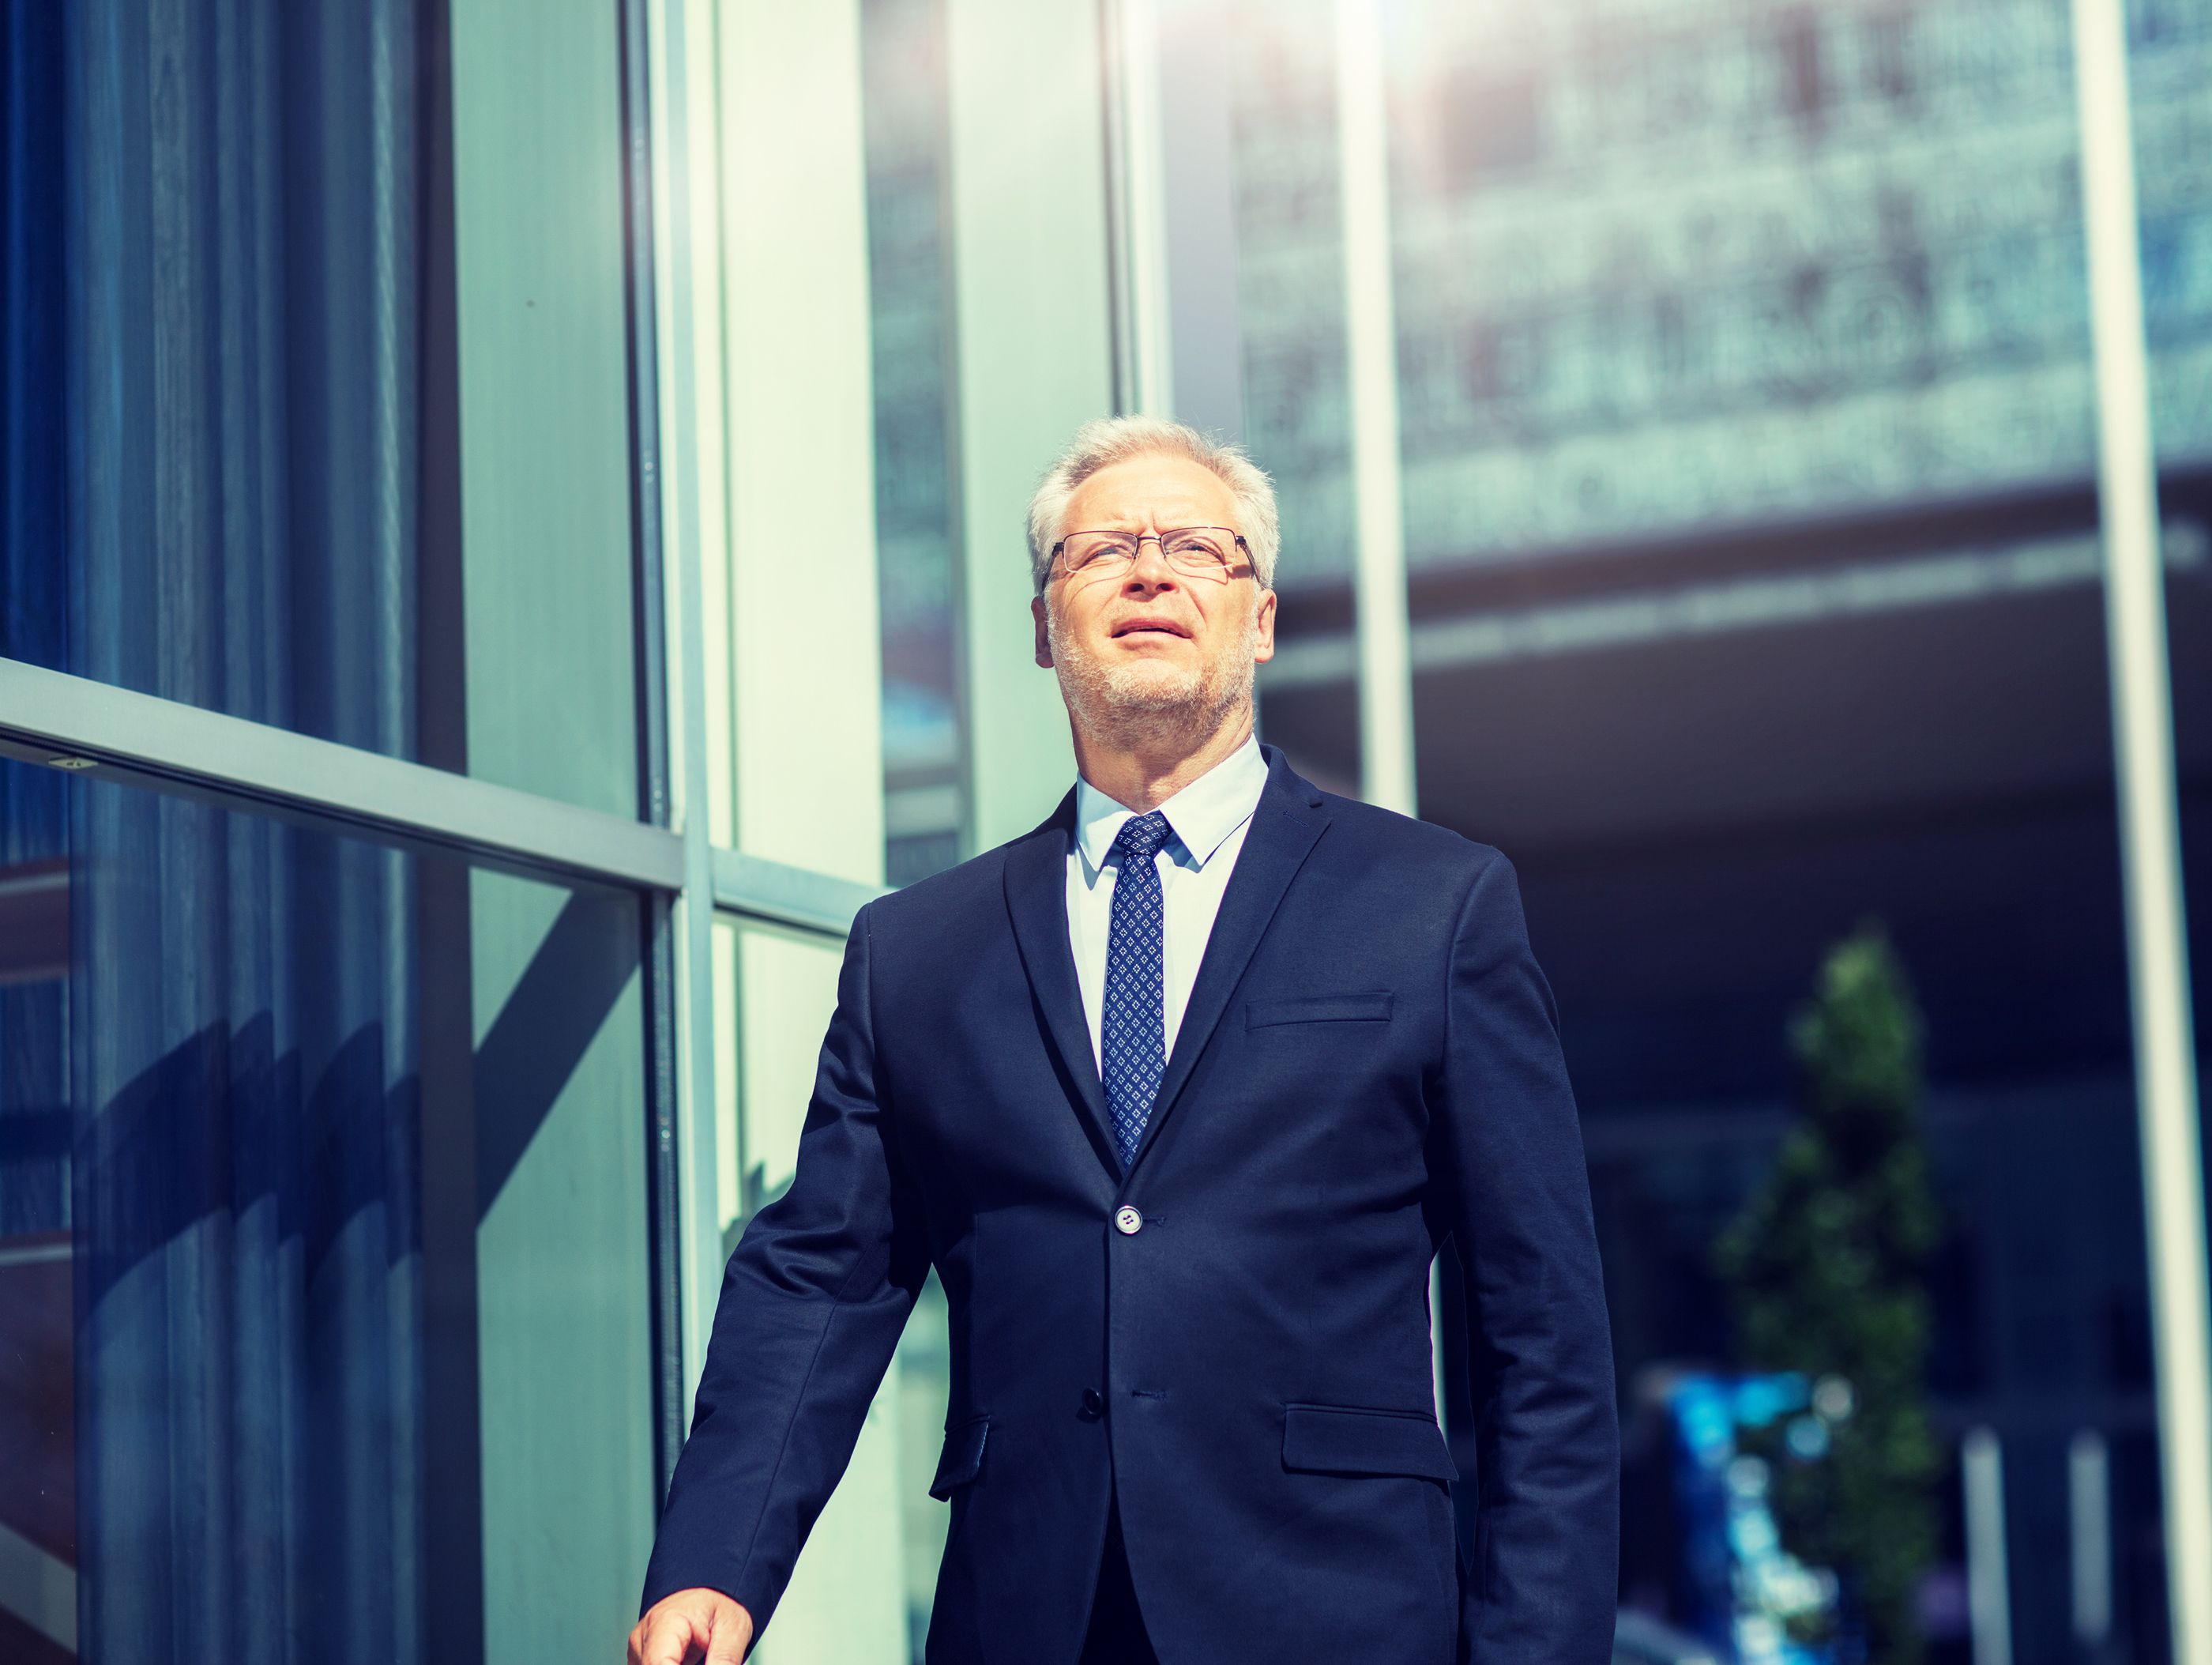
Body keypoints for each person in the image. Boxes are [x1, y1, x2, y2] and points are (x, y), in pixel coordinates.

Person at [627, 416, 1618, 1665]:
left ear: (1258, 621)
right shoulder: (917, 951)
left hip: (1341, 1617)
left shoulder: (1433, 906)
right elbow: (820, 1275)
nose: (1150, 571)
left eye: (1196, 547)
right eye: (1105, 551)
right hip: (1026, 1618)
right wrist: (714, 1564)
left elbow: (1543, 1336)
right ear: (1043, 628)